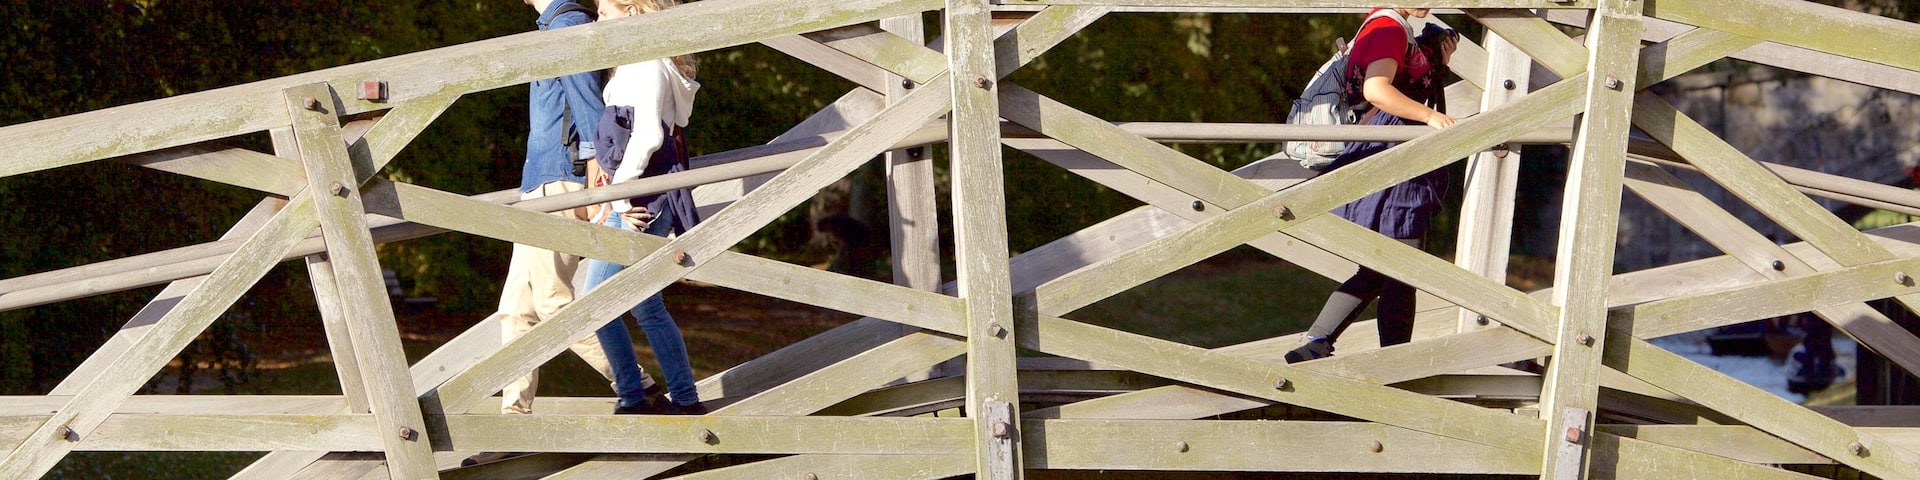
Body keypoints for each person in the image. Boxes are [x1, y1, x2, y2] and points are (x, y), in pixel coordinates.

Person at [473, 0, 665, 465]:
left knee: (552, 303)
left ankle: (637, 386)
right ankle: (514, 424)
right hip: (540, 181)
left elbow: (586, 104)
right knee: (515, 309)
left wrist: (596, 175)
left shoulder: (569, 23)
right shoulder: (553, 24)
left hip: (562, 180)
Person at [1286, 8, 1458, 363]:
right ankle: (1393, 365)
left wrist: (1436, 57)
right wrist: (1429, 115)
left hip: (1387, 150)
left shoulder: (1386, 27)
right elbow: (1376, 89)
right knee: (1399, 261)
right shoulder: (1387, 29)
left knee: (1388, 263)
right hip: (1390, 152)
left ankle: (1320, 341)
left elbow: (1399, 83)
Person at [581, 0, 708, 415]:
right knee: (645, 303)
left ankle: (634, 397)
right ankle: (682, 398)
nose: (597, 20)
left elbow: (649, 135)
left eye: (604, 12)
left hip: (638, 198)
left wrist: (617, 194)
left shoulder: (645, 65)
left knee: (596, 303)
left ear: (632, 13)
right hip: (646, 193)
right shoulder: (649, 64)